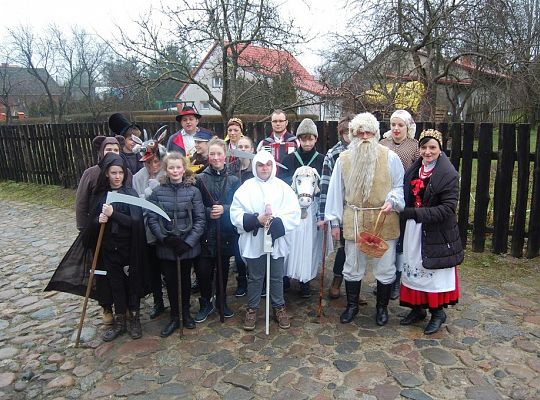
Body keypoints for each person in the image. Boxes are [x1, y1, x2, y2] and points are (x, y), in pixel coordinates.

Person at [325, 112, 404, 326]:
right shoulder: (344, 160)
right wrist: (334, 221)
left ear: (376, 133)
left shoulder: (390, 157)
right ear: (353, 135)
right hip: (355, 217)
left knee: (385, 265)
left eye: (369, 132)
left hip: (383, 217)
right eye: (360, 133)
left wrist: (394, 201)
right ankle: (351, 306)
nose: (365, 137)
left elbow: (399, 186)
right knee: (352, 264)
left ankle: (381, 308)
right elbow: (335, 193)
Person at [399, 129, 463, 335]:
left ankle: (437, 313)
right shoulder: (414, 170)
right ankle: (417, 309)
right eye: (424, 147)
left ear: (440, 149)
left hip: (436, 232)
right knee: (413, 267)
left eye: (432, 147)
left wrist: (415, 213)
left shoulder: (448, 174)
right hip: (414, 229)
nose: (427, 151)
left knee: (433, 273)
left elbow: (447, 208)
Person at [230, 150, 301, 331]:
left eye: (268, 164)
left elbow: (294, 212)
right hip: (255, 239)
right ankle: (252, 309)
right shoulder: (246, 188)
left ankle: (279, 307)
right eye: (260, 165)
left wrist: (279, 222)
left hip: (276, 239)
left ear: (273, 166)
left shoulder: (282, 187)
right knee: (255, 276)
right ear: (255, 166)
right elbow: (235, 212)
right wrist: (255, 220)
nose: (264, 168)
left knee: (276, 276)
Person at [89, 153, 149, 341]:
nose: (117, 176)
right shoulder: (100, 196)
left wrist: (114, 214)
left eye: (120, 172)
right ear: (106, 173)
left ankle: (135, 320)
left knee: (132, 284)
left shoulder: (130, 194)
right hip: (108, 250)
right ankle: (120, 321)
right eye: (113, 172)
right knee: (115, 284)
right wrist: (98, 220)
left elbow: (136, 222)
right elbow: (92, 225)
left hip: (129, 248)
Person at [74, 135, 132, 325]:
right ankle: (107, 307)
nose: (113, 153)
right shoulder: (91, 174)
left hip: (121, 235)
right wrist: (86, 230)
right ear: (101, 151)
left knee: (120, 274)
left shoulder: (125, 173)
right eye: (109, 150)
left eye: (116, 150)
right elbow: (82, 205)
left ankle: (126, 308)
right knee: (102, 273)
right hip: (98, 231)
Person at [147, 152, 206, 337]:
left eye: (178, 167)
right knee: (171, 281)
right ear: (166, 169)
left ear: (184, 168)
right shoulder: (158, 191)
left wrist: (188, 243)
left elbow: (200, 220)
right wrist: (165, 239)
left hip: (187, 246)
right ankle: (174, 316)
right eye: (171, 167)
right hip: (167, 246)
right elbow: (152, 218)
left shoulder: (193, 191)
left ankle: (186, 313)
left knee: (185, 281)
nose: (175, 171)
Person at [194, 138, 241, 323]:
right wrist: (207, 212)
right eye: (212, 154)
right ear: (208, 155)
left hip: (225, 232)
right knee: (204, 271)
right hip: (205, 233)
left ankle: (222, 301)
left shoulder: (234, 179)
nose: (215, 157)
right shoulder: (200, 179)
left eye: (218, 154)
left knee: (222, 269)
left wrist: (225, 209)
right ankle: (206, 302)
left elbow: (238, 205)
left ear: (225, 155)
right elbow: (195, 205)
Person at [280, 118, 326, 298]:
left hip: (312, 210)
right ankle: (284, 276)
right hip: (292, 208)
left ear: (316, 139)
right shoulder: (289, 159)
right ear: (298, 139)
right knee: (289, 241)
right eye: (303, 139)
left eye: (311, 139)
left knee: (308, 244)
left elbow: (325, 185)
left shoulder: (322, 160)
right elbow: (283, 184)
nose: (307, 142)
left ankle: (304, 280)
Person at [379, 110, 420, 300]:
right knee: (385, 239)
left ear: (407, 127)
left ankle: (396, 280)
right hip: (383, 198)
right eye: (393, 124)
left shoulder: (414, 146)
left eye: (400, 125)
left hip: (405, 198)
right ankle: (383, 281)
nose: (396, 128)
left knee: (400, 241)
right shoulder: (382, 143)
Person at [317, 114, 354, 300]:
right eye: (345, 131)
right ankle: (337, 280)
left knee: (358, 249)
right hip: (342, 208)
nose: (349, 135)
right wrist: (326, 215)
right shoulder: (334, 154)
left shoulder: (365, 151)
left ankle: (354, 286)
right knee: (345, 246)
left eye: (351, 131)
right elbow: (325, 186)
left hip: (360, 209)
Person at [132, 150, 166, 320]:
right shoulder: (138, 177)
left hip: (166, 227)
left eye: (156, 161)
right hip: (147, 227)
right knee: (153, 268)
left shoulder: (167, 172)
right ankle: (158, 301)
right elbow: (134, 202)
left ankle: (177, 300)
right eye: (148, 162)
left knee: (168, 267)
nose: (153, 166)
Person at [227, 135, 255, 297]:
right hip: (236, 215)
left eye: (246, 147)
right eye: (240, 147)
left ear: (252, 150)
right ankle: (242, 281)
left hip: (253, 216)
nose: (243, 150)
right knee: (238, 251)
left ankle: (256, 280)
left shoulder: (256, 169)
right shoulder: (230, 169)